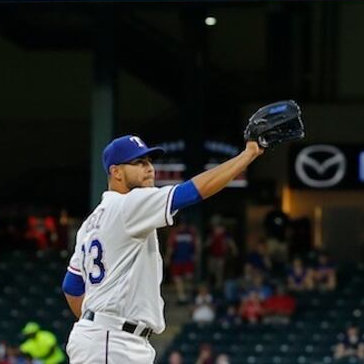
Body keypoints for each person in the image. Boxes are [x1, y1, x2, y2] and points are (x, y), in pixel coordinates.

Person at [63, 134, 265, 364]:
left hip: (108, 339)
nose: (149, 169)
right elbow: (192, 192)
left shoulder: (90, 223)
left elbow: (71, 286)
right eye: (138, 163)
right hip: (113, 342)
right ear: (116, 172)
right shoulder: (129, 204)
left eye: (149, 162)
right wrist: (247, 155)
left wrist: (95, 321)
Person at [165, 220, 198, 304]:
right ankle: (181, 297)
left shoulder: (191, 232)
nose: (182, 226)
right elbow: (171, 247)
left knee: (189, 278)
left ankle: (189, 296)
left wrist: (195, 254)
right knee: (177, 279)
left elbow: (196, 244)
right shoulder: (174, 233)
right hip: (177, 260)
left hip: (188, 259)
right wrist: (168, 258)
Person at [205, 217, 237, 291]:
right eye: (216, 227)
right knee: (211, 270)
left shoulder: (225, 234)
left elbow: (231, 242)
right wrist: (207, 244)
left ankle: (218, 287)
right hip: (212, 256)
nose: (217, 229)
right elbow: (207, 244)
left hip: (221, 256)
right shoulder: (212, 234)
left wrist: (235, 250)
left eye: (219, 227)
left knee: (219, 271)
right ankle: (212, 284)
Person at [263, 200, 290, 267]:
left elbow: (288, 227)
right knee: (270, 256)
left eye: (278, 205)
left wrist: (287, 238)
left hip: (282, 240)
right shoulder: (270, 215)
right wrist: (268, 236)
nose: (277, 207)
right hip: (272, 239)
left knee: (283, 257)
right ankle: (270, 271)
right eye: (275, 205)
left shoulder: (284, 215)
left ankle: (283, 271)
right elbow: (265, 226)